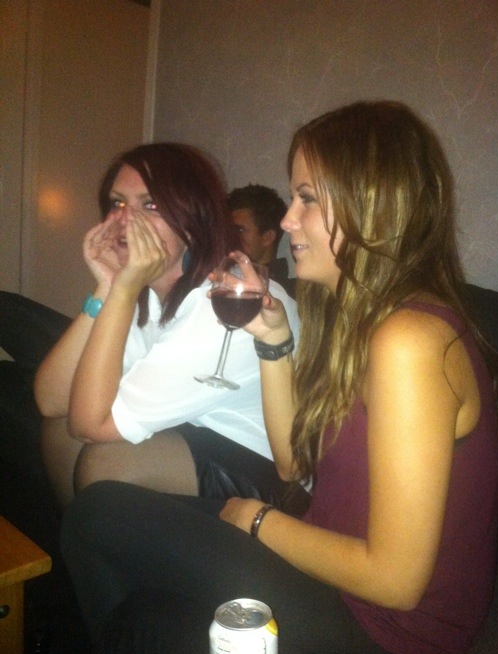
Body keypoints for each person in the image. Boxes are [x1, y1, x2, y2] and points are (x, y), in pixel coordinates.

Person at [60, 102, 498, 654]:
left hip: (389, 634)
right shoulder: (355, 322)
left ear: (374, 204)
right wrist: (274, 342)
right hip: (332, 574)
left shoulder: (411, 341)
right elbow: (295, 463)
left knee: (99, 514)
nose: (289, 220)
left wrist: (257, 519)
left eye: (308, 199)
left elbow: (395, 582)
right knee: (146, 617)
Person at [33, 142, 303, 511]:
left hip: (266, 471)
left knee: (106, 462)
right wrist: (106, 287)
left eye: (150, 205)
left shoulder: (230, 300)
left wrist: (123, 289)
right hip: (192, 432)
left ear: (192, 221)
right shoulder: (148, 288)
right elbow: (51, 400)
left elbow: (90, 425)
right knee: (58, 432)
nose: (125, 220)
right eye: (117, 203)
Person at [228, 183, 295, 296]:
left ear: (268, 237)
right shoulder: (221, 274)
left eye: (240, 229)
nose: (231, 235)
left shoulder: (290, 292)